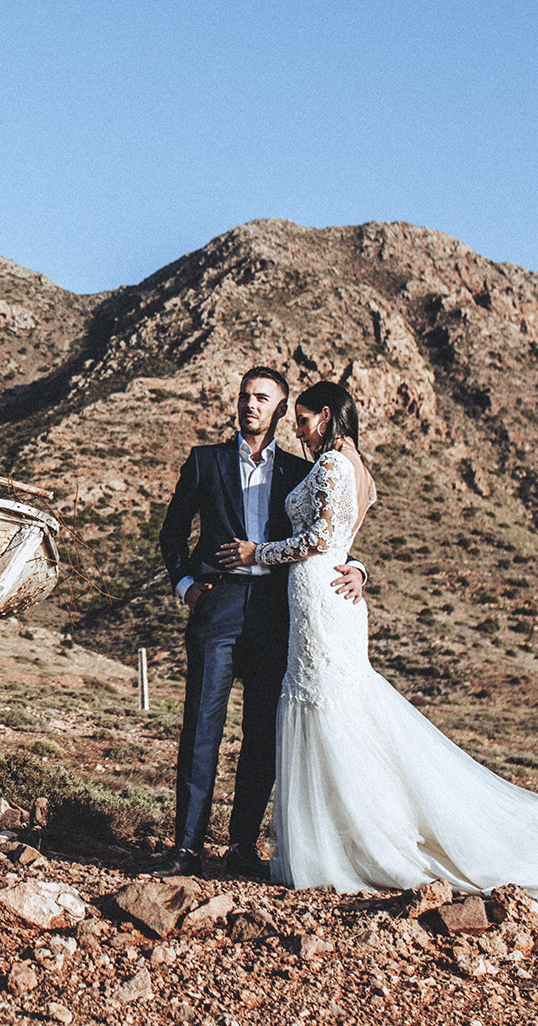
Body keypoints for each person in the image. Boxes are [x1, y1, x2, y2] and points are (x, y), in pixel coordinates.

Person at [216, 380, 538, 903]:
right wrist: (355, 565)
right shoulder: (354, 468)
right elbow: (342, 540)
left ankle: (355, 846)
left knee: (329, 708)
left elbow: (321, 539)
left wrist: (257, 553)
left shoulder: (335, 465)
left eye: (307, 418)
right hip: (326, 595)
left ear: (331, 416)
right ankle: (344, 839)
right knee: (335, 710)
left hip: (320, 597)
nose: (300, 427)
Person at [150, 366, 365, 880]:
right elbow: (172, 533)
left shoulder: (300, 470)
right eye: (245, 396)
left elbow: (334, 530)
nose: (251, 404)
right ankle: (186, 847)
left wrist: (358, 568)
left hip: (276, 614)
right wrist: (185, 586)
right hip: (217, 608)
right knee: (201, 726)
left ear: (281, 408)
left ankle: (242, 846)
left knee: (263, 733)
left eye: (263, 398)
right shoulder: (205, 462)